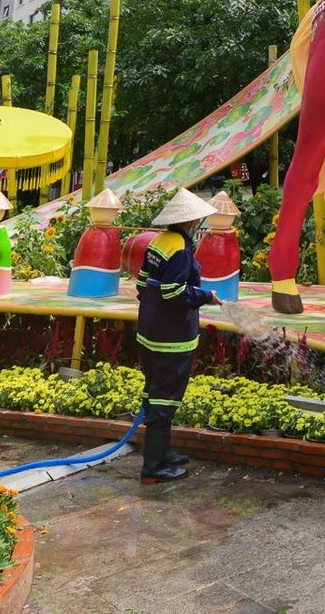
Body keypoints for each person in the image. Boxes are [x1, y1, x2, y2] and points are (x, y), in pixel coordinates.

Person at [137, 188, 220, 484]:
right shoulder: (181, 249)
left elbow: (142, 283)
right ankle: (154, 467)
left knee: (155, 391)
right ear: (191, 221)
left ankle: (163, 452)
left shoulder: (159, 241)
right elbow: (173, 292)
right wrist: (206, 296)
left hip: (150, 331)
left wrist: (151, 308)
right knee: (165, 397)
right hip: (170, 339)